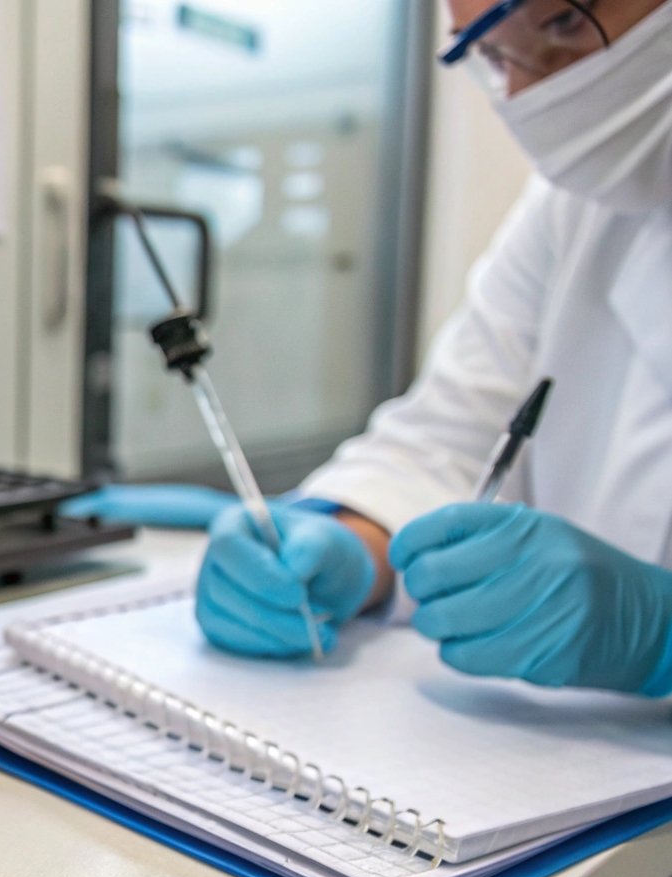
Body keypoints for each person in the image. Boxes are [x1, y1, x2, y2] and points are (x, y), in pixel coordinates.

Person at [76, 0, 672, 698]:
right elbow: (445, 443)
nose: (529, 96)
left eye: (561, 24)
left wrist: (659, 637)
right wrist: (350, 546)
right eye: (493, 56)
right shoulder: (572, 208)